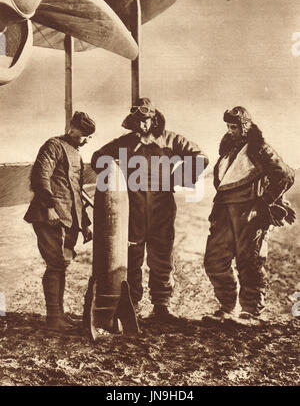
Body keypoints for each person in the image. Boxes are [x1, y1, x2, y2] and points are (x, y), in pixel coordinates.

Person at [91, 97, 209, 323]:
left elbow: (200, 158)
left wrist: (176, 178)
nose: (142, 125)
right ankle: (131, 304)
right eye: (138, 121)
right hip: (132, 209)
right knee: (132, 256)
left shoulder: (172, 140)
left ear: (154, 119)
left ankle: (161, 306)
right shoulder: (124, 143)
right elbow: (98, 158)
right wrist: (116, 175)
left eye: (146, 120)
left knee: (162, 255)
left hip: (161, 208)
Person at [204, 106, 295, 326]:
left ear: (245, 127)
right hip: (225, 211)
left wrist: (265, 201)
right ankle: (227, 307)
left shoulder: (259, 148)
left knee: (250, 261)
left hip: (250, 214)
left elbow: (285, 175)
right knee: (214, 260)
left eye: (234, 126)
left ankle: (252, 311)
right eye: (228, 126)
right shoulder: (227, 151)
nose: (230, 130)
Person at [24, 111, 96, 332]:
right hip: (50, 216)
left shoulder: (76, 153)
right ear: (72, 128)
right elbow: (40, 176)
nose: (86, 140)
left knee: (61, 265)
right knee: (56, 264)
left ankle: (59, 315)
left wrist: (85, 223)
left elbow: (77, 191)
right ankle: (53, 318)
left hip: (67, 219)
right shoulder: (53, 145)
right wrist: (49, 207)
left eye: (88, 137)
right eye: (83, 134)